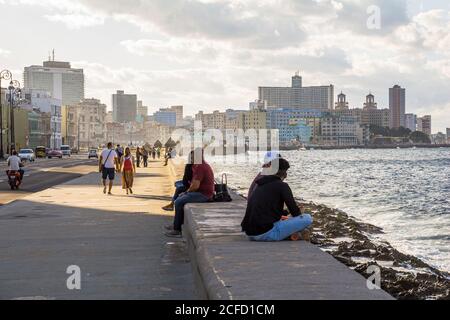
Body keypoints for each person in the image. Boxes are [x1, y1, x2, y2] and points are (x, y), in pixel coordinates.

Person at [241, 158, 313, 242]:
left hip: (250, 234)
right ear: (283, 172)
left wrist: (285, 215)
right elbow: (295, 212)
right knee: (307, 218)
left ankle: (291, 235)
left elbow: (267, 209)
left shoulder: (260, 184)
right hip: (266, 233)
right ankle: (294, 235)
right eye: (286, 171)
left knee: (285, 219)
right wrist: (297, 213)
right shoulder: (282, 186)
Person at [165, 148, 214, 238]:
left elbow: (195, 186)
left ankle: (177, 230)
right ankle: (176, 224)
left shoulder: (201, 167)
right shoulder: (199, 165)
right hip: (201, 192)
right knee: (180, 197)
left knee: (179, 201)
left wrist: (186, 193)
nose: (192, 157)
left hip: (204, 194)